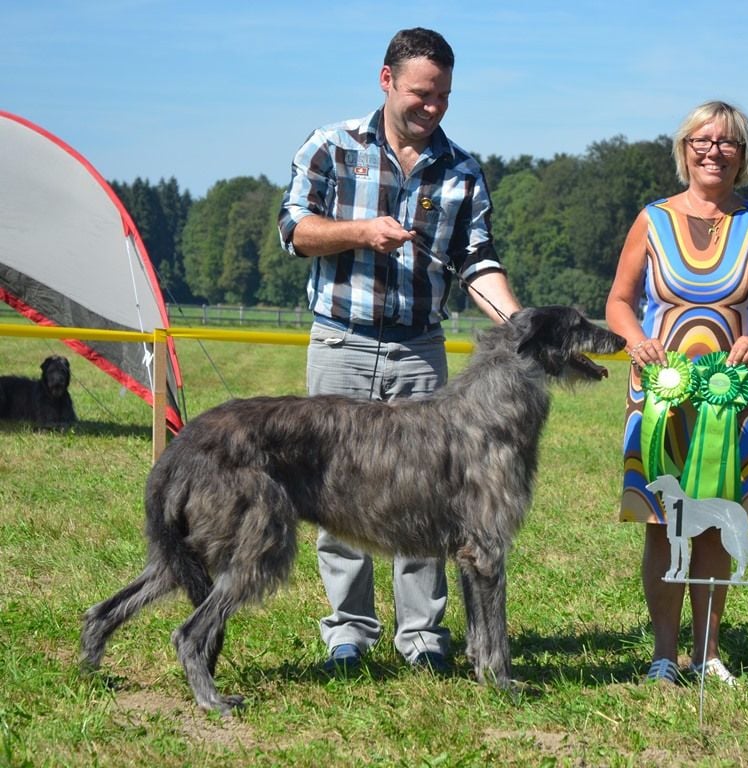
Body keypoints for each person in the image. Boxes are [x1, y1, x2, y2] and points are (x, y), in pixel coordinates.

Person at [277, 27, 521, 673]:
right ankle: (348, 636)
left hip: (419, 348)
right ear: (386, 81)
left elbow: (478, 262)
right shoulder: (330, 146)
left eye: (442, 96)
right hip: (342, 342)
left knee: (428, 496)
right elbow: (294, 230)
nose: (432, 107)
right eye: (421, 93)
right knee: (338, 493)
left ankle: (422, 641)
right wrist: (360, 231)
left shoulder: (462, 170)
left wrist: (519, 326)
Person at [605, 100, 748, 686]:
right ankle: (664, 655)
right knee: (663, 523)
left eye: (727, 142)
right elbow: (618, 301)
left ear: (744, 155)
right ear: (684, 149)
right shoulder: (651, 218)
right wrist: (635, 339)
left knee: (716, 522)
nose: (714, 151)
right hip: (659, 400)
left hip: (734, 402)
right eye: (702, 141)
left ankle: (708, 653)